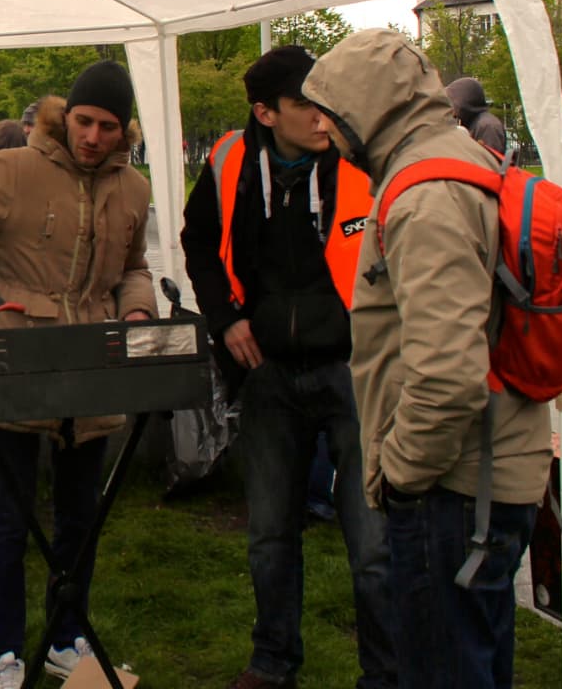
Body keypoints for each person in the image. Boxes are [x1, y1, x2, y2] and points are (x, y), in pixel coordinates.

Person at [302, 30, 549, 689]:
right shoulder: (453, 163)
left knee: (443, 668)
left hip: (454, 485)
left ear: (369, 103)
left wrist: (401, 473)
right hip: (486, 473)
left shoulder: (426, 193)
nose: (321, 123)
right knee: (476, 657)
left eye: (330, 105)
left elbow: (446, 374)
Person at [0, 61, 156, 689]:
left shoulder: (135, 188)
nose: (93, 136)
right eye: (83, 121)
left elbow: (134, 265)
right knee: (11, 521)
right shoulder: (13, 171)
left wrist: (137, 306)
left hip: (92, 364)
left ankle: (67, 638)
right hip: (12, 364)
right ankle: (6, 653)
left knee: (81, 517)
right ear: (64, 115)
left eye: (106, 126)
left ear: (123, 130)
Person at [181, 46, 395, 689]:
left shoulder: (359, 159)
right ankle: (273, 662)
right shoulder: (228, 162)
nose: (321, 116)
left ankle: (385, 673)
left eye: (324, 101)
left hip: (353, 370)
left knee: (373, 544)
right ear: (265, 112)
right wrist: (224, 319)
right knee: (270, 536)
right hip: (270, 373)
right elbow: (197, 243)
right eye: (305, 104)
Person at [444, 76, 507, 156]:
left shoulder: (487, 126)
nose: (450, 107)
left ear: (463, 101)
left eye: (452, 101)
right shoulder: (473, 122)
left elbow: (489, 161)